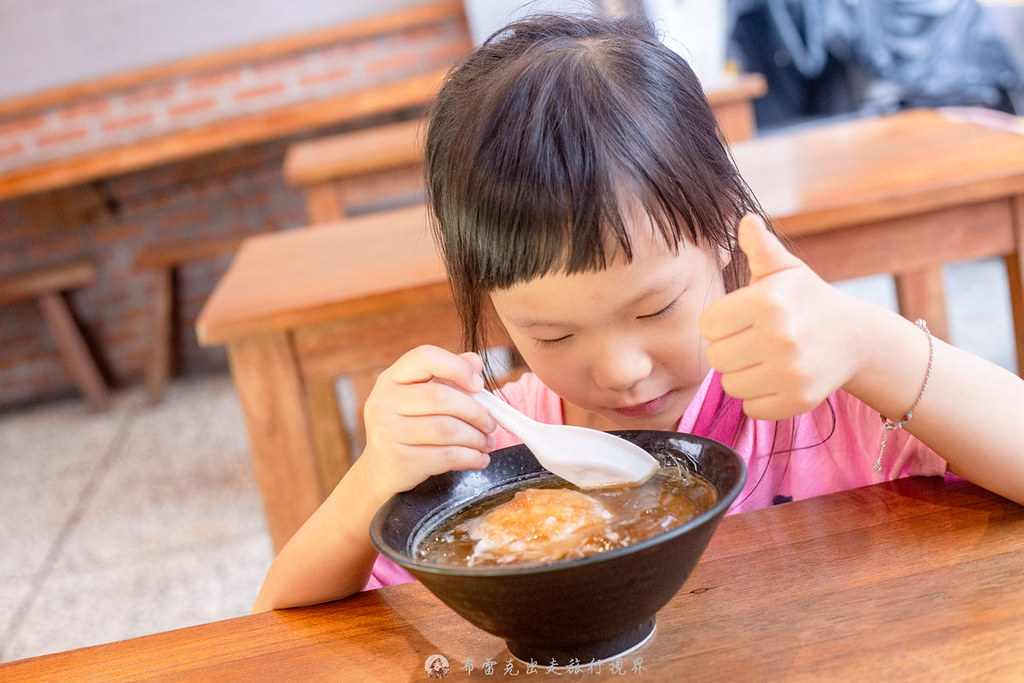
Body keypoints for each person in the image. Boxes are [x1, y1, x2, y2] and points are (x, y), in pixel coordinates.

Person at [251, 12, 1024, 613]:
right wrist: (374, 477)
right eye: (551, 332)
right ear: (493, 306)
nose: (619, 368)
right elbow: (274, 618)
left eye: (655, 306)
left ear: (725, 222)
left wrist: (868, 346)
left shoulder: (822, 394)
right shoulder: (495, 444)